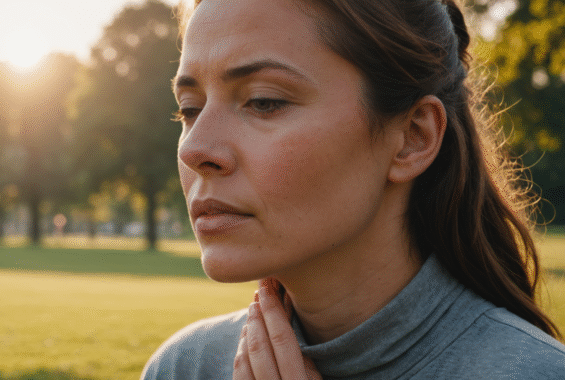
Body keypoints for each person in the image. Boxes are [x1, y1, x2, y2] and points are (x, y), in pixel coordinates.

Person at [140, 0, 565, 378]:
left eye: (264, 101)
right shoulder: (184, 368)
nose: (194, 149)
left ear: (413, 138)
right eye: (190, 109)